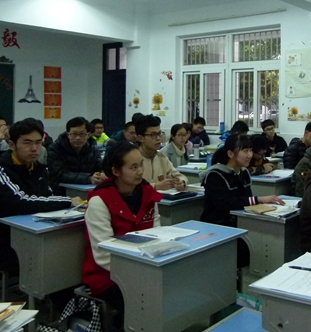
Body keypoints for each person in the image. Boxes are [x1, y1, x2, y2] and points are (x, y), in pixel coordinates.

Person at [82, 141, 162, 327]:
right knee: (147, 299)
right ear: (116, 171)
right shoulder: (100, 201)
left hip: (145, 266)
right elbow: (103, 255)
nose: (140, 171)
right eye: (133, 167)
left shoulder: (147, 193)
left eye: (141, 164)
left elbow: (157, 234)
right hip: (108, 276)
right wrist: (141, 272)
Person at [0, 118, 81, 269]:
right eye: (27, 142)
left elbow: (47, 198)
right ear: (11, 145)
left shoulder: (40, 169)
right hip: (7, 237)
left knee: (72, 247)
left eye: (38, 142)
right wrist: (68, 201)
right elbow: (20, 201)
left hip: (35, 231)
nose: (34, 148)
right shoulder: (2, 170)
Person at [201, 134, 284, 227]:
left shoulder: (243, 173)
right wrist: (259, 199)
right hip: (217, 224)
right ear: (230, 154)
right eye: (245, 151)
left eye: (250, 150)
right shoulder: (215, 175)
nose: (249, 155)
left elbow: (246, 199)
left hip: (240, 220)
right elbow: (225, 203)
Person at [47, 117, 104, 194]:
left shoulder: (93, 148)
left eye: (82, 134)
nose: (78, 138)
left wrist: (101, 174)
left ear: (89, 135)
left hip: (89, 191)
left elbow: (99, 167)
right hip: (61, 192)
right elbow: (59, 174)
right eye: (73, 134)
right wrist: (88, 178)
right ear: (68, 135)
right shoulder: (55, 148)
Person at [136, 115, 187, 191]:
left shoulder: (161, 157)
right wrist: (155, 186)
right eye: (153, 135)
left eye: (159, 134)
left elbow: (179, 176)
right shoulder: (133, 159)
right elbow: (130, 187)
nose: (158, 138)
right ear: (141, 138)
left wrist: (181, 182)